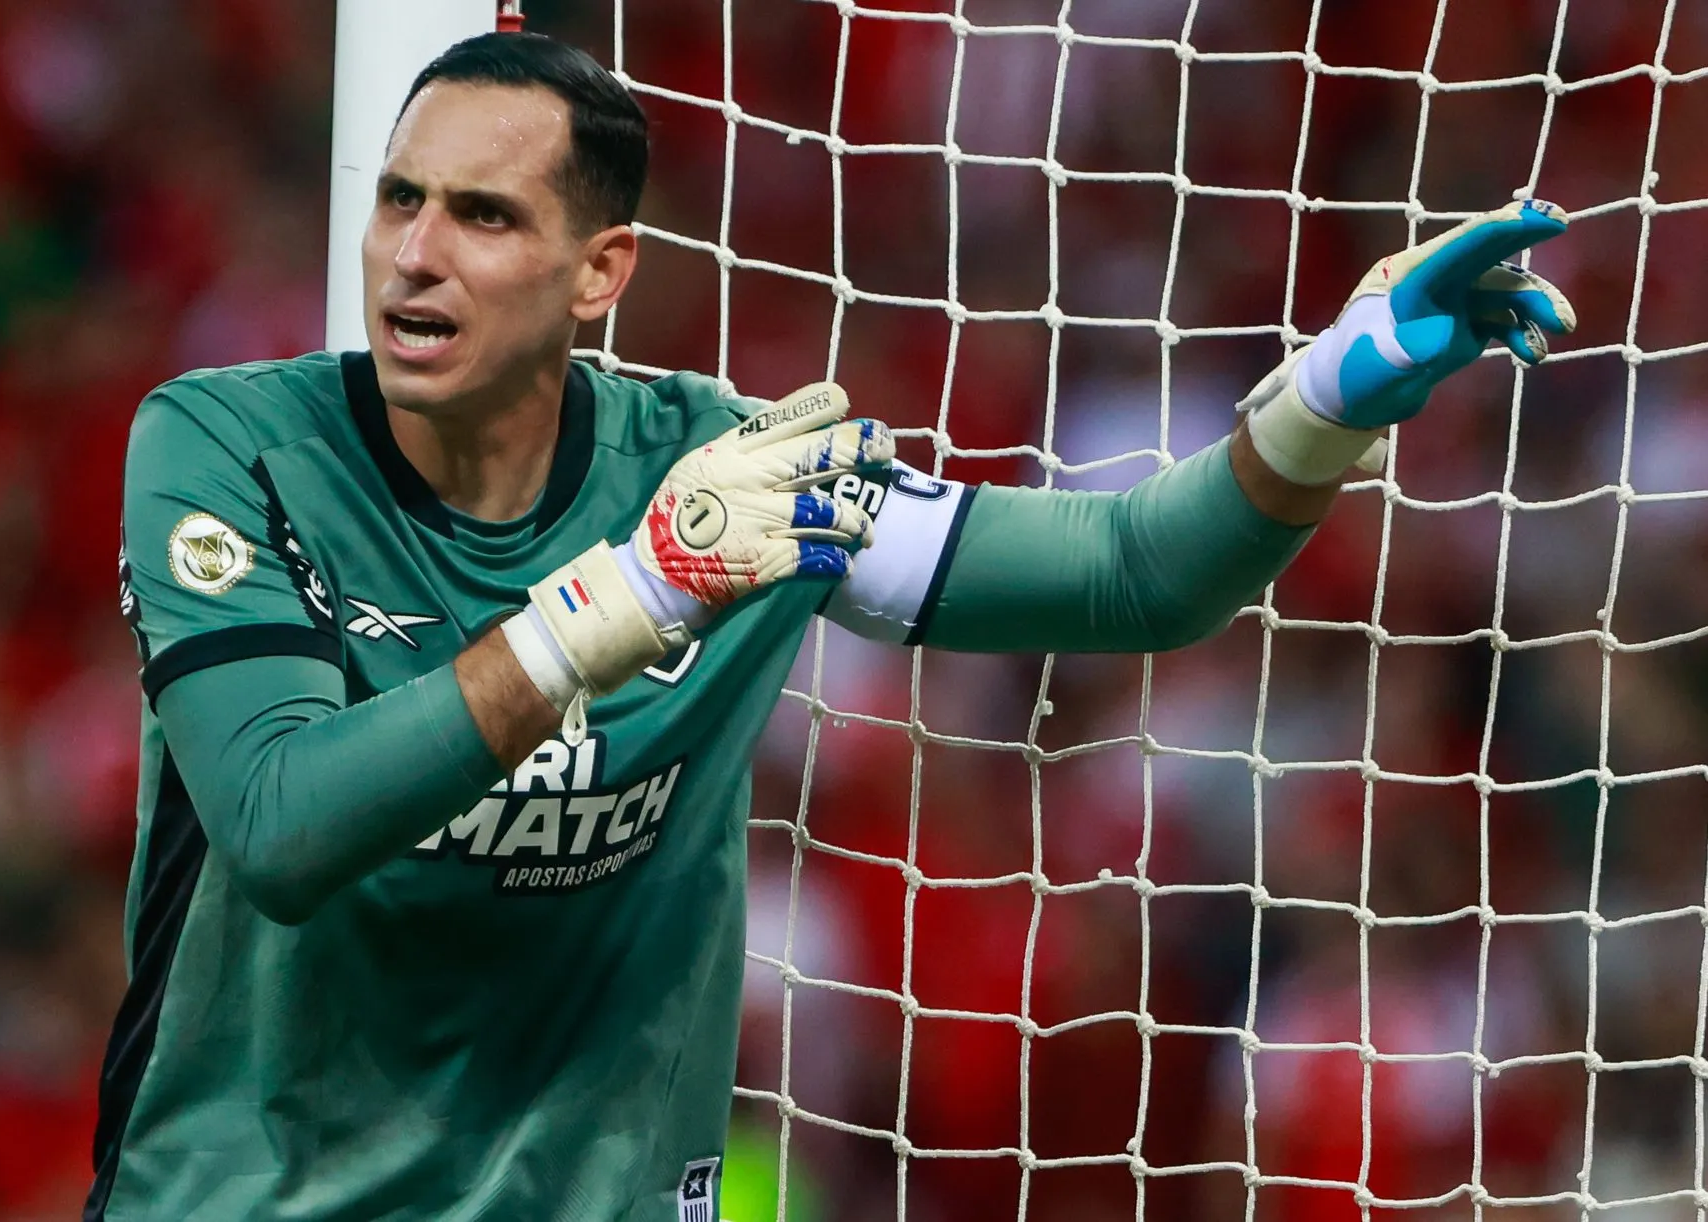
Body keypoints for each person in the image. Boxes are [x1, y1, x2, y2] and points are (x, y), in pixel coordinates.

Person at [86, 30, 1575, 1222]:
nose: (414, 253)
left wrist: (1325, 396)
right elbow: (280, 825)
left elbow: (1134, 572)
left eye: (483, 215)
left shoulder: (738, 476)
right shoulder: (228, 448)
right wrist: (641, 592)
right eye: (399, 199)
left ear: (599, 274)